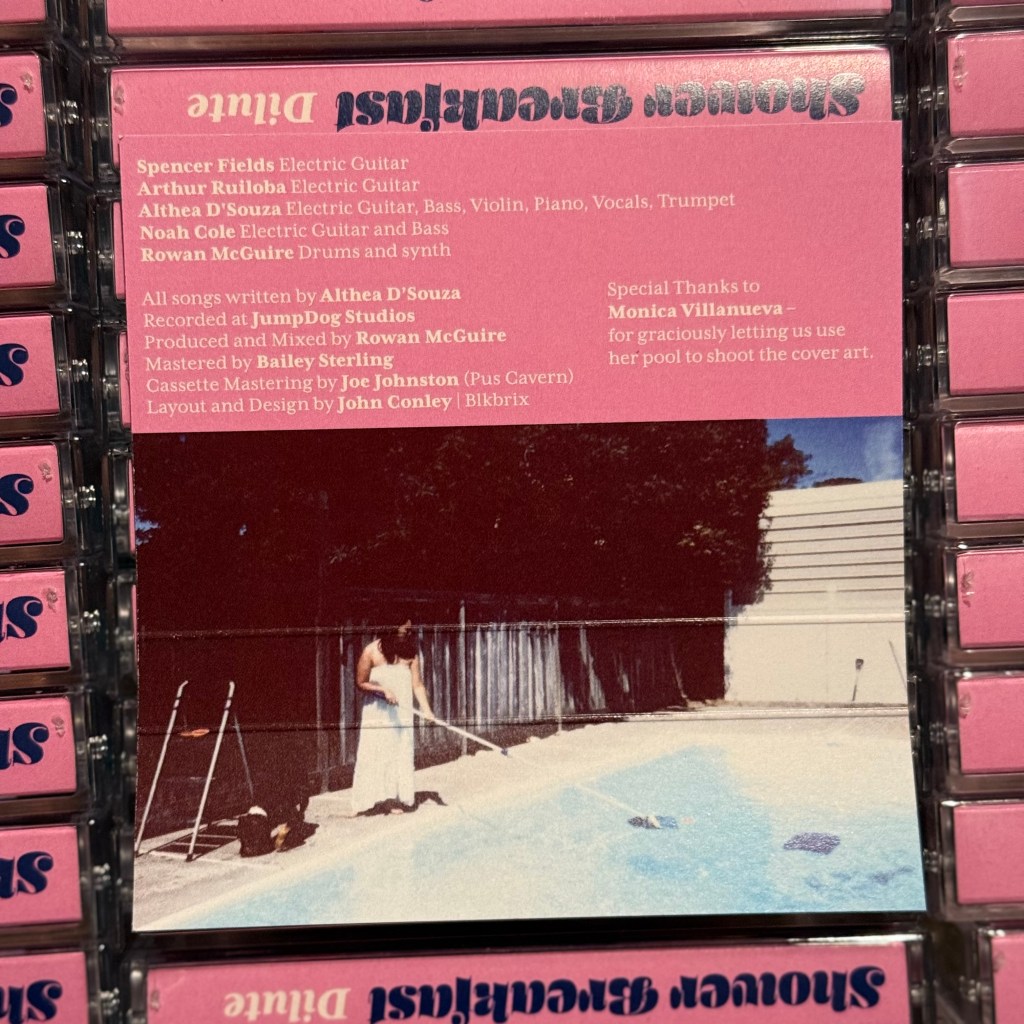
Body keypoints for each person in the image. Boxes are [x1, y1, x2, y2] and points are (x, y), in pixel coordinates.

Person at [350, 621, 435, 815]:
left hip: (401, 715)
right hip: (377, 713)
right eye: (404, 627)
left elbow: (417, 685)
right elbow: (361, 682)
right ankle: (369, 799)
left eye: (410, 628)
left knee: (398, 753)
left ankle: (392, 798)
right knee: (376, 752)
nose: (408, 631)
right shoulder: (371, 651)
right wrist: (382, 690)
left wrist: (427, 710)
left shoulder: (411, 653)